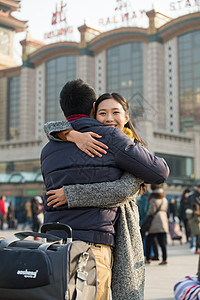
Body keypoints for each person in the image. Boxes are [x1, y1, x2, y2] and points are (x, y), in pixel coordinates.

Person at [41, 79, 169, 300]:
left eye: (116, 113)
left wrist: (70, 134)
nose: (109, 119)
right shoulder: (111, 138)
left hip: (54, 243)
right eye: (103, 113)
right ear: (92, 109)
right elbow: (159, 172)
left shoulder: (48, 148)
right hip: (93, 245)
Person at [145, 184, 169, 265]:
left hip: (155, 221)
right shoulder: (164, 199)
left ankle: (148, 258)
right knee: (162, 242)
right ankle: (165, 259)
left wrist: (147, 215)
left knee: (149, 239)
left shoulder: (153, 199)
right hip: (163, 220)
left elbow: (151, 211)